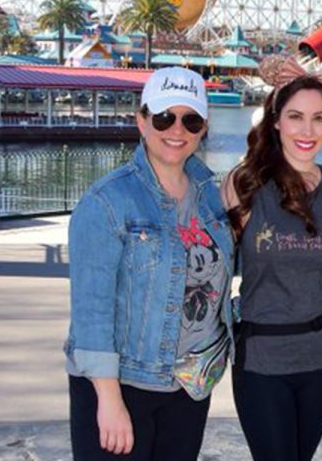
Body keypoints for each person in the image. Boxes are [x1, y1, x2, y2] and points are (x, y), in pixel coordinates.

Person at [65, 67, 235, 460]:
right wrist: (109, 401)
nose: (177, 130)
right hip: (124, 384)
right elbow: (92, 311)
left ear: (202, 127)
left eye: (190, 120)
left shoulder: (212, 194)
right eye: (164, 117)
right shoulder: (108, 201)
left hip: (190, 385)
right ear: (141, 120)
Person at [221, 63, 322, 461]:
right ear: (276, 121)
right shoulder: (243, 185)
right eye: (295, 117)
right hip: (262, 356)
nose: (307, 130)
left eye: (319, 119)